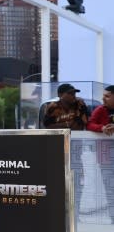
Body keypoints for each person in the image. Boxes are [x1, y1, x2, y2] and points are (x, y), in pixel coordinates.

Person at [42, 84, 89, 217]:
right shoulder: (52, 107)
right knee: (57, 183)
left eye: (74, 93)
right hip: (57, 151)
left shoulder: (80, 104)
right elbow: (48, 126)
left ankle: (76, 213)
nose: (74, 95)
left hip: (75, 152)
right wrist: (68, 125)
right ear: (60, 95)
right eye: (70, 93)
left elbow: (83, 123)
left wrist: (65, 126)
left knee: (77, 183)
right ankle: (57, 213)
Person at [86, 85, 114, 219]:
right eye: (103, 95)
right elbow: (89, 125)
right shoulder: (100, 110)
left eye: (107, 96)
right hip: (106, 156)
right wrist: (102, 128)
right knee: (110, 189)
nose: (103, 98)